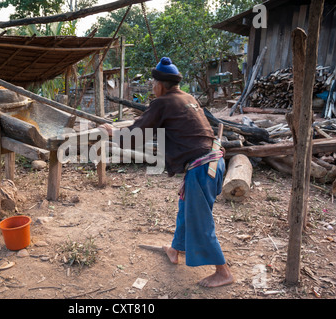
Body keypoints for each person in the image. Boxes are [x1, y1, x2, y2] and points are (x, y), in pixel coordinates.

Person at [99, 57, 234, 288]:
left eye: (153, 83)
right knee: (186, 209)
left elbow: (136, 135)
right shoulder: (188, 98)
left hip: (202, 168)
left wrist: (113, 133)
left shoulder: (162, 103)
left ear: (162, 84)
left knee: (199, 219)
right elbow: (152, 124)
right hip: (214, 161)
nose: (152, 87)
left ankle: (223, 272)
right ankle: (175, 249)